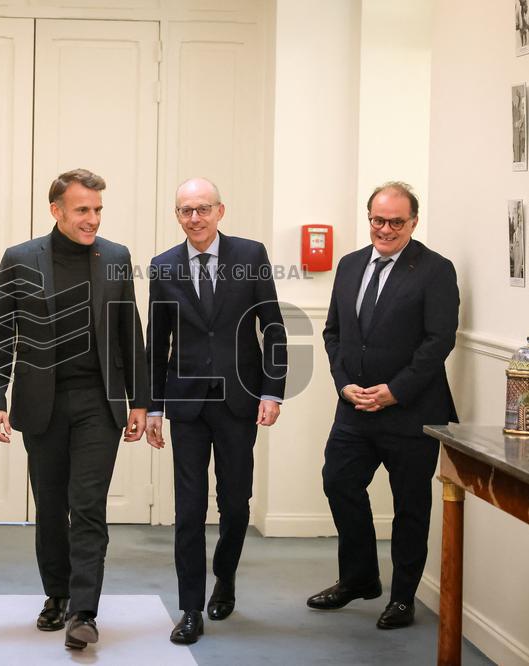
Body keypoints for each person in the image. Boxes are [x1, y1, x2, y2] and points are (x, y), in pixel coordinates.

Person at [0, 168, 150, 651]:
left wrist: (140, 399)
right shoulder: (20, 259)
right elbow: (0, 333)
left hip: (98, 403)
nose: (92, 219)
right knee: (51, 508)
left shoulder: (115, 257)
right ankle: (55, 594)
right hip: (41, 405)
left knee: (88, 506)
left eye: (97, 210)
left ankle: (83, 611)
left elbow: (127, 333)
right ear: (56, 210)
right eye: (83, 210)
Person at [307, 182, 459, 630]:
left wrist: (396, 390)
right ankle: (359, 578)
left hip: (411, 412)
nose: (385, 229)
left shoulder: (435, 270)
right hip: (354, 407)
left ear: (414, 222)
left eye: (396, 221)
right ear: (368, 217)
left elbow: (438, 342)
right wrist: (344, 384)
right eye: (377, 219)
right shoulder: (351, 265)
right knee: (338, 482)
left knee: (410, 506)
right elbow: (333, 333)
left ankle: (403, 597)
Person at [145, 177, 287, 645]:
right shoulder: (163, 267)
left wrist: (272, 392)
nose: (195, 218)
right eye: (186, 210)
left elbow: (274, 328)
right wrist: (151, 407)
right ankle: (190, 608)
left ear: (220, 211)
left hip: (238, 402)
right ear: (177, 215)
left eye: (203, 209)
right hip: (185, 403)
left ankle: (224, 576)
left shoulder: (250, 256)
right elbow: (156, 343)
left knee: (236, 503)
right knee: (188, 510)